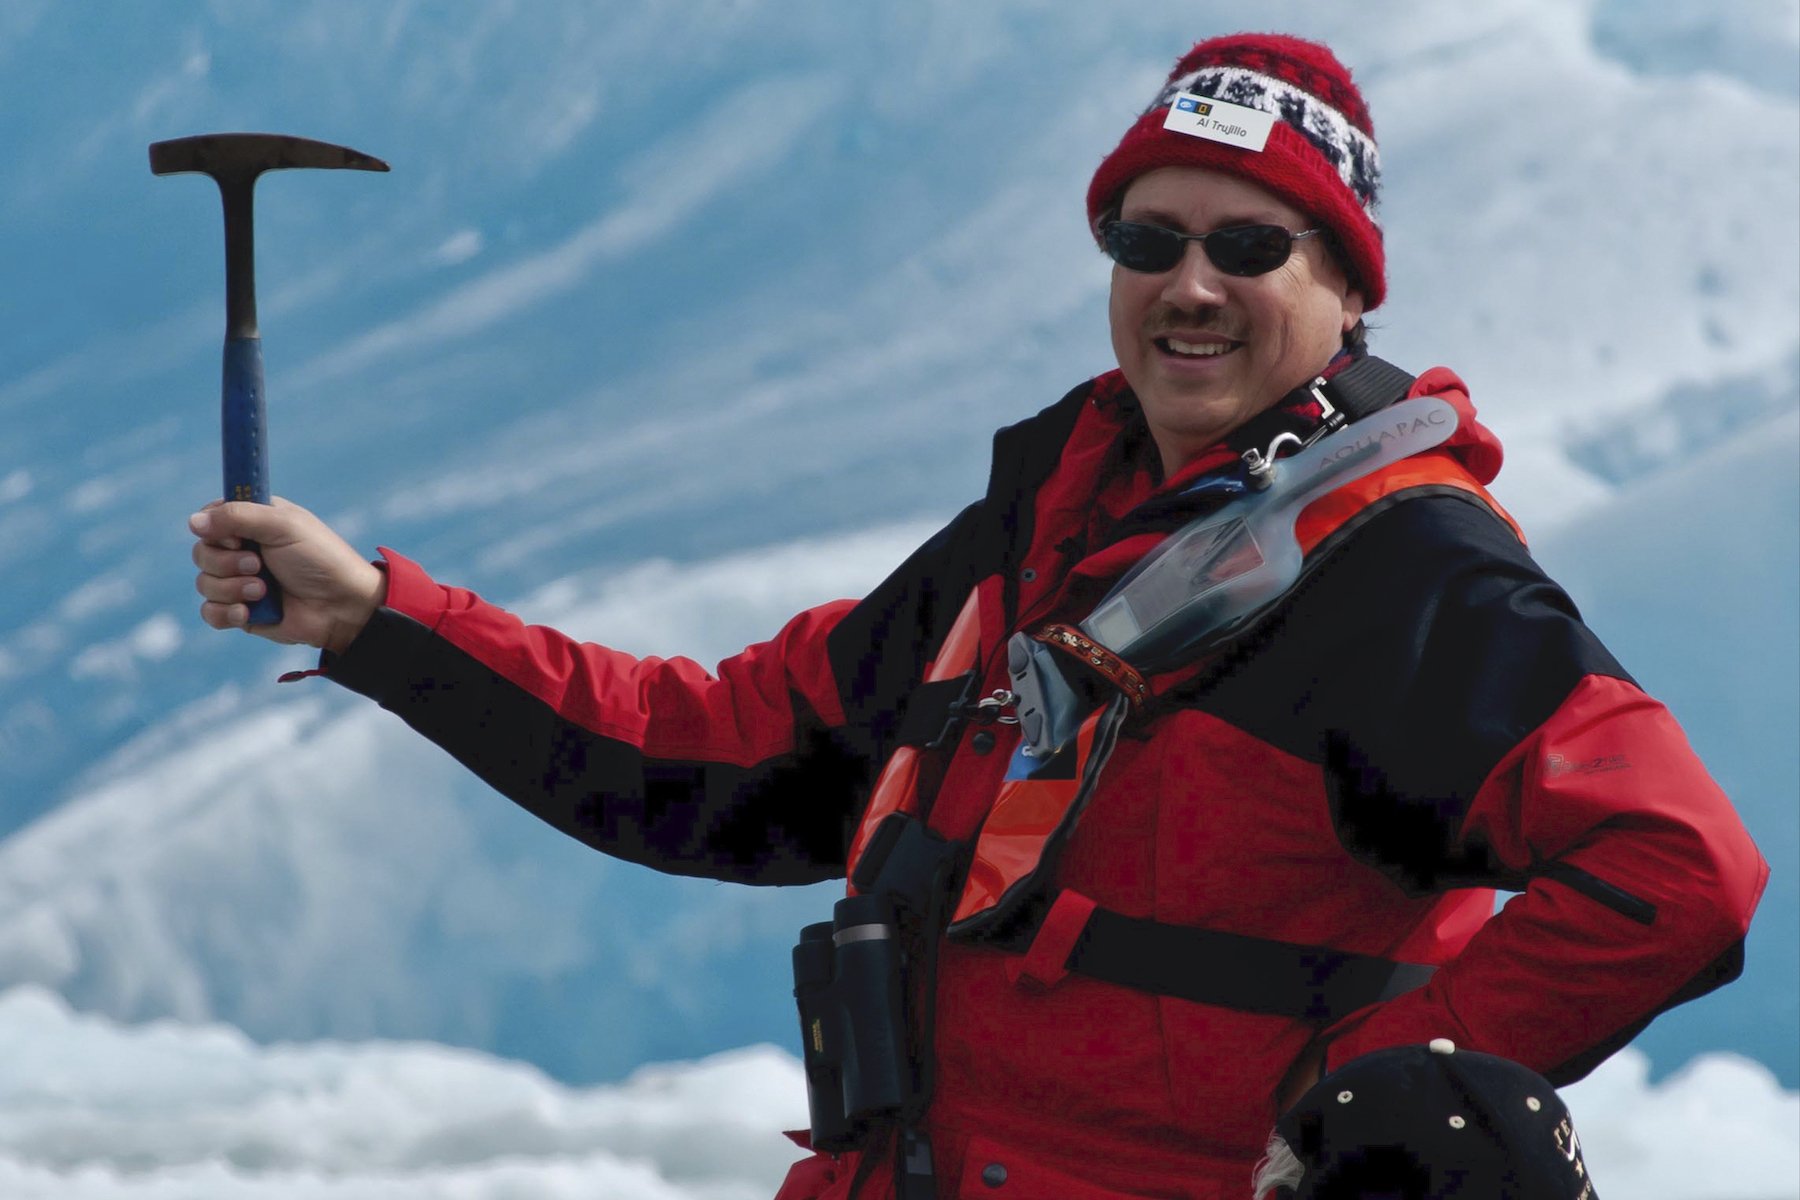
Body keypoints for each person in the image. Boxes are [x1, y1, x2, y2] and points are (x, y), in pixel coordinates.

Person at [188, 32, 1767, 1200]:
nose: (1190, 284)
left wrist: (1370, 1104)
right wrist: (378, 621)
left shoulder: (1409, 573)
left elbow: (1680, 866)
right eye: (1147, 242)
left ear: (1350, 291)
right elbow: (725, 754)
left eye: (1248, 245)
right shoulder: (1044, 530)